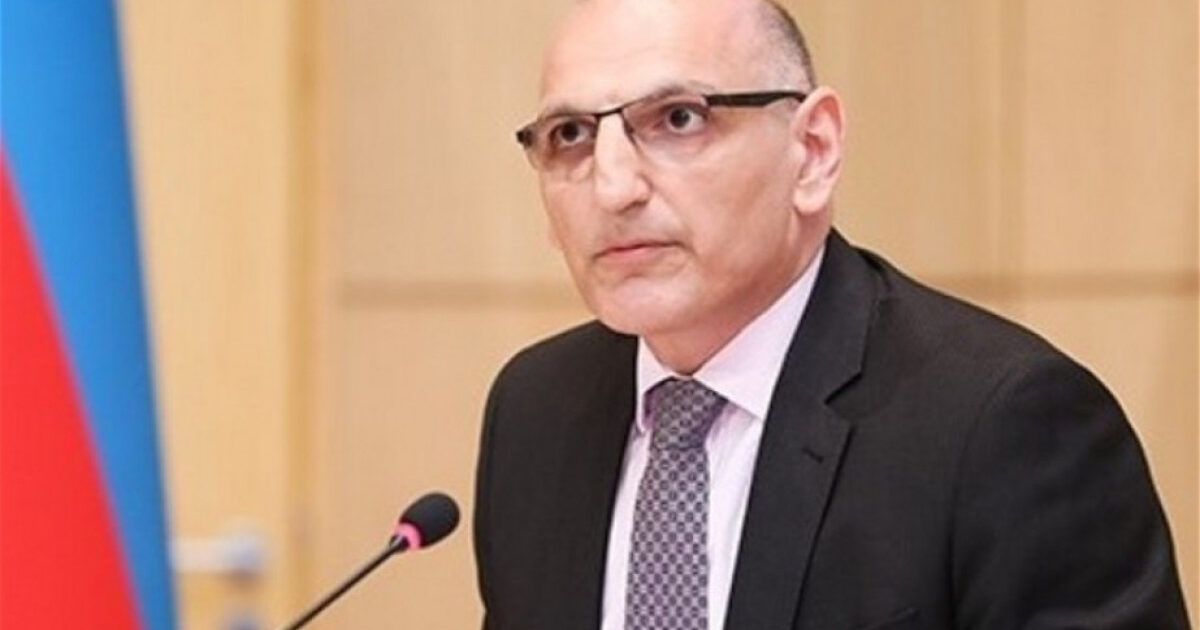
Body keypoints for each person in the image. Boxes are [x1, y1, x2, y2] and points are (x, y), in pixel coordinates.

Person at [472, 0, 1190, 628]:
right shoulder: (535, 411)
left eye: (678, 119)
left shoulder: (1003, 425)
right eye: (571, 135)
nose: (612, 186)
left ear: (812, 151)